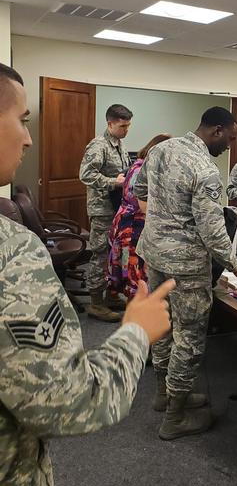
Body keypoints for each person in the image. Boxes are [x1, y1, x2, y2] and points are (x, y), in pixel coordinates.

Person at [0, 62, 174, 486]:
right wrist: (135, 335)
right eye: (21, 120)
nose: (29, 136)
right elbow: (69, 400)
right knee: (102, 262)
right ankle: (102, 304)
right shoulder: (10, 254)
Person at [134, 106, 237, 440]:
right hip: (186, 265)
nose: (229, 146)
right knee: (189, 338)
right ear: (216, 130)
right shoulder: (205, 169)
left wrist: (165, 215)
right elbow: (212, 229)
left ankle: (165, 394)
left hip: (155, 254)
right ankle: (175, 418)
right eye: (229, 138)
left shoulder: (161, 148)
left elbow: (138, 189)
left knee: (162, 326)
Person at [79, 103, 133, 322]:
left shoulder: (117, 144)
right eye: (122, 126)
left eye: (128, 126)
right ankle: (96, 303)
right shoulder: (98, 145)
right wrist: (114, 182)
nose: (126, 130)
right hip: (102, 209)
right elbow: (85, 174)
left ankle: (110, 295)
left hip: (115, 208)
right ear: (110, 123)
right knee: (100, 254)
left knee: (114, 254)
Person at [107, 133, 171, 300]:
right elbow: (142, 205)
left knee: (135, 280)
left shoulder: (140, 166)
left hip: (130, 224)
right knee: (136, 281)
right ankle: (135, 322)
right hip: (132, 228)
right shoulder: (141, 170)